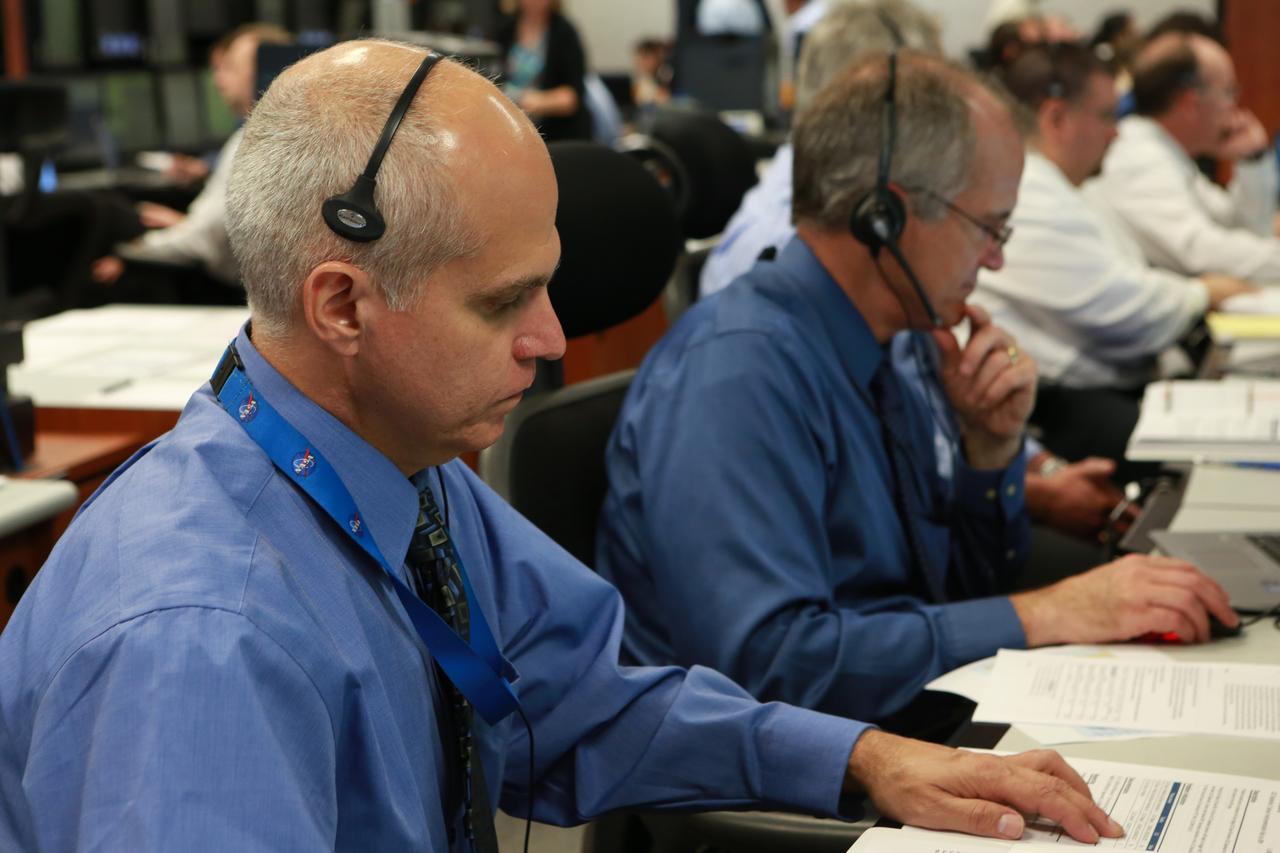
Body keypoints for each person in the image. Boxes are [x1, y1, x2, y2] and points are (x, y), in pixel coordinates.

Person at [0, 40, 1124, 851]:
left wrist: (863, 759)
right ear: (341, 304)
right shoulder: (203, 642)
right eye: (503, 304)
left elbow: (580, 703)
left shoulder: (409, 472)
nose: (547, 340)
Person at [597, 50, 1238, 733]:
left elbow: (952, 592)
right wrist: (1045, 612)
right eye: (991, 227)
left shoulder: (900, 338)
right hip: (805, 767)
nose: (997, 260)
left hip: (902, 714)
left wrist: (988, 457)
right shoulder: (736, 375)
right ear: (887, 218)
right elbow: (771, 668)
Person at [699, 0, 1126, 542]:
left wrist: (1006, 458)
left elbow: (926, 484)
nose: (995, 259)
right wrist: (1031, 496)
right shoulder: (800, 263)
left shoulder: (889, 269)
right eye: (932, 106)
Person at [970, 43, 1255, 476]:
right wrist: (1201, 293)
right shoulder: (1028, 195)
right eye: (1106, 115)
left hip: (1098, 387)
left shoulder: (1071, 187)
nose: (1116, 132)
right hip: (1058, 405)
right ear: (1057, 118)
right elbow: (1124, 313)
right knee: (1219, 466)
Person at [91, 23, 294, 292]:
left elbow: (202, 242)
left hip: (237, 291)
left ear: (266, 72)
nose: (218, 80)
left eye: (230, 68)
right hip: (269, 290)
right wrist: (187, 226)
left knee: (102, 222)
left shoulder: (253, 140)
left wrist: (133, 251)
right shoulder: (293, 132)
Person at [1090, 32, 1280, 282]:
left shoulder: (1165, 153)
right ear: (1190, 102)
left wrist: (1251, 160)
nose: (1234, 106)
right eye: (1229, 92)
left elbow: (1245, 225)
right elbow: (1198, 253)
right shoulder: (1138, 158)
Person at [496, 0, 593, 142]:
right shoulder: (505, 30)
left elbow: (572, 98)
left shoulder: (564, 33)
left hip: (556, 133)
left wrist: (538, 101)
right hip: (511, 128)